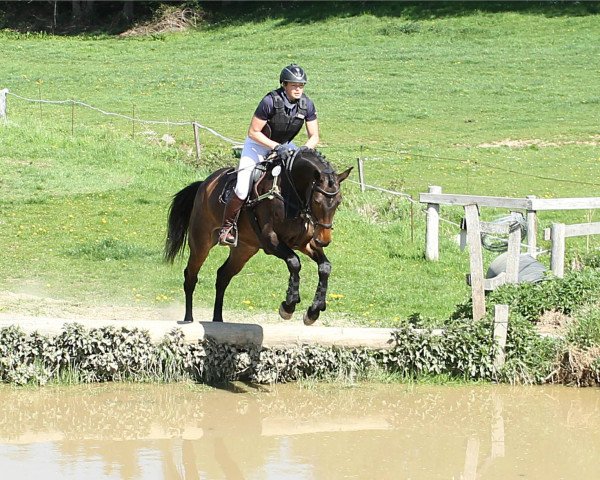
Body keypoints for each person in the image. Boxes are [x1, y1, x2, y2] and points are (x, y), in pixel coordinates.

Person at [218, 63, 320, 246]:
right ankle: (228, 228)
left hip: (286, 147)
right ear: (284, 85)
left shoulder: (307, 105)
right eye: (294, 85)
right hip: (258, 145)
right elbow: (253, 132)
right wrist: (276, 147)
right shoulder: (270, 101)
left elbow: (314, 136)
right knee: (242, 186)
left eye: (301, 86)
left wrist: (302, 152)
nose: (298, 89)